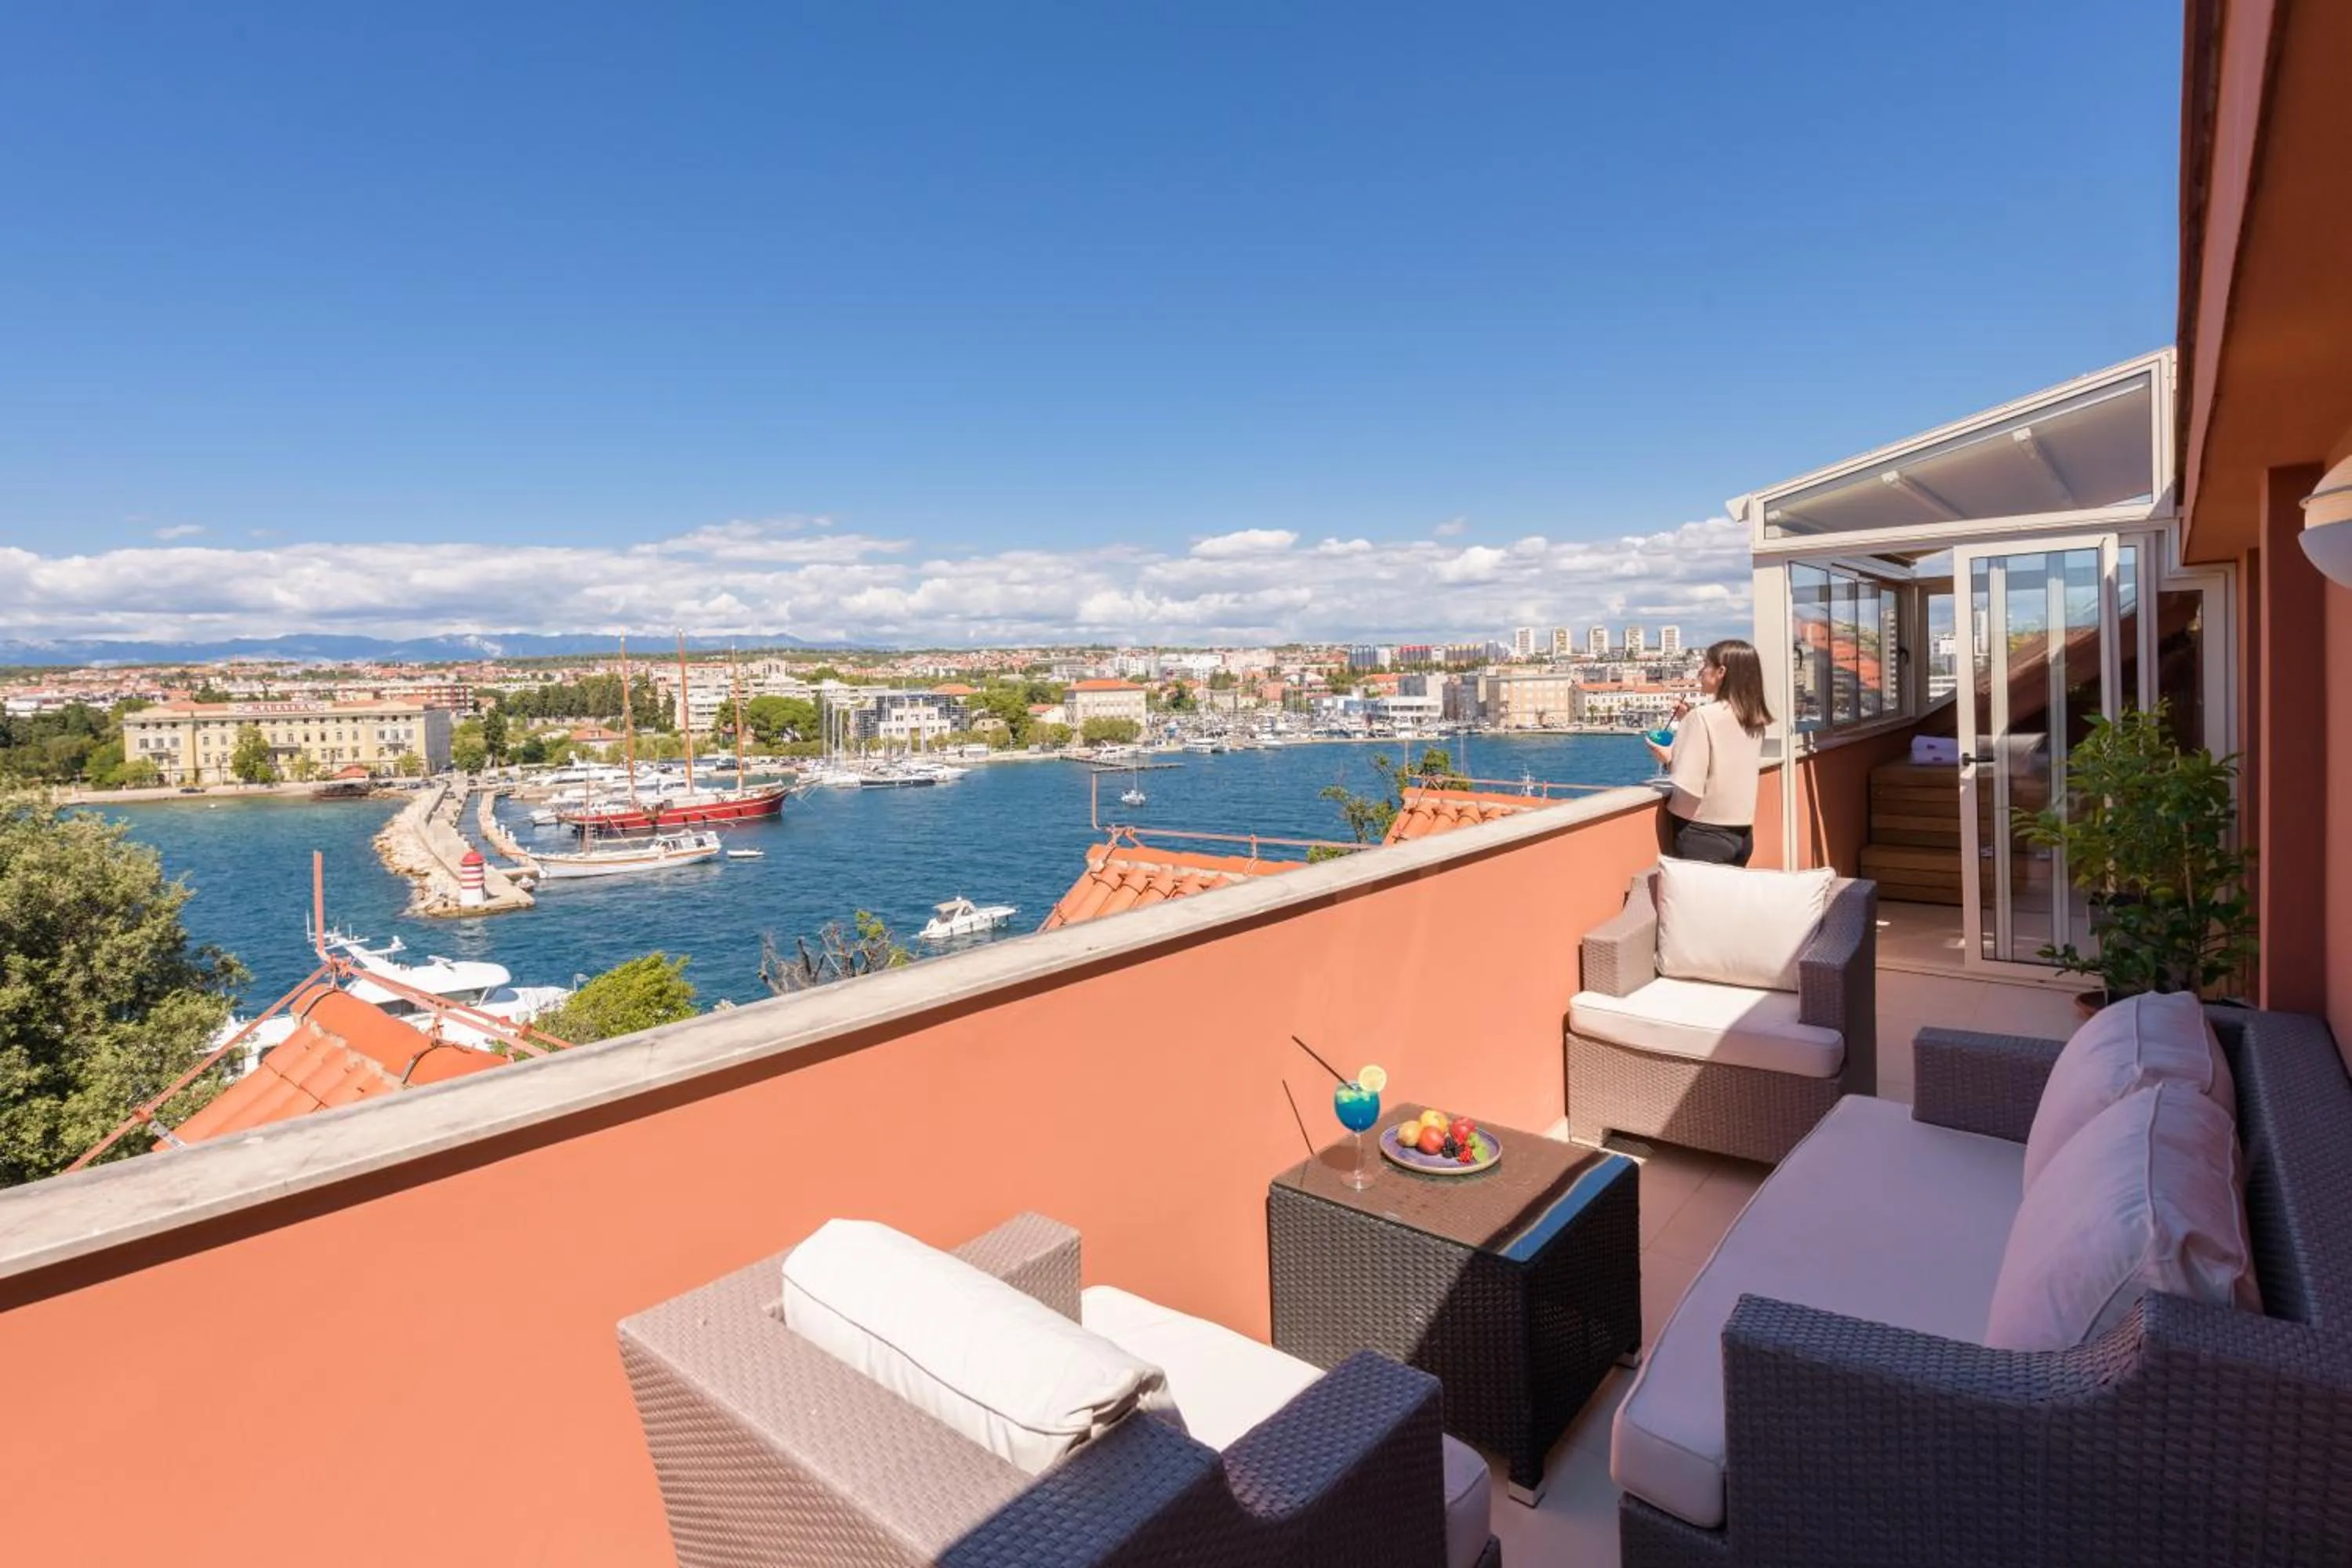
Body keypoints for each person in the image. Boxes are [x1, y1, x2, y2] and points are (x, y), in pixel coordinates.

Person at [1643, 638, 1772, 866]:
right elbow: (1727, 752)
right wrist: (1689, 719)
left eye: (1705, 666)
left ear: (1721, 672)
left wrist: (1668, 758)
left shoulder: (1703, 717)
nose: (1701, 672)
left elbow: (1688, 781)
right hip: (1742, 834)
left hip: (1702, 835)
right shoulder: (1754, 718)